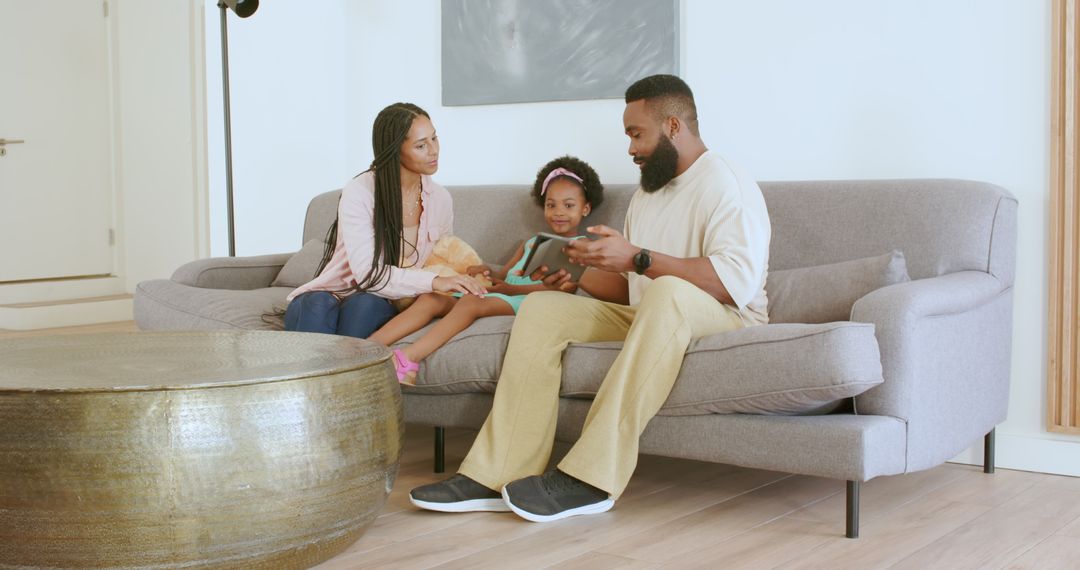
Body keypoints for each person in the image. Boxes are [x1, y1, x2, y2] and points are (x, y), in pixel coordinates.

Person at [409, 75, 771, 521]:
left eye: (637, 134)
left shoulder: (726, 184)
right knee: (544, 308)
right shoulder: (650, 193)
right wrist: (580, 273)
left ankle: (593, 477)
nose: (631, 148)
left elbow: (732, 284)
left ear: (673, 126)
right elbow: (631, 289)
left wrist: (636, 257)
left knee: (670, 292)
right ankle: (495, 471)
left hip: (727, 316)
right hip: (652, 312)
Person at [368, 156, 605, 384]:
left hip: (533, 302)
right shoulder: (532, 242)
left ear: (585, 208)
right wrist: (489, 270)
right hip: (505, 294)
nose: (558, 212)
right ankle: (365, 350)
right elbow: (507, 273)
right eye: (551, 205)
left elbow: (564, 290)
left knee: (472, 302)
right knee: (431, 298)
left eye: (569, 205)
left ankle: (410, 357)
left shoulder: (582, 248)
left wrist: (509, 289)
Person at [284, 103, 486, 338]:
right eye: (421, 145)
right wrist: (434, 281)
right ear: (394, 150)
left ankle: (345, 371)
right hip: (334, 292)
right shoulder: (361, 191)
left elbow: (440, 255)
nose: (434, 150)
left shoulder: (440, 199)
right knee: (316, 304)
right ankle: (321, 373)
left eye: (434, 138)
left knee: (366, 305)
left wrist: (468, 272)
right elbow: (368, 276)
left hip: (382, 298)